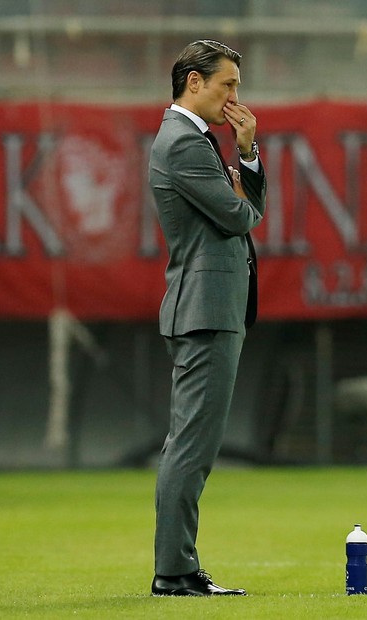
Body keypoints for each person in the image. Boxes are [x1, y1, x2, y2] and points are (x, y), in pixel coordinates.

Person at [148, 39, 266, 597]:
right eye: (228, 84)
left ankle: (179, 567)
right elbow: (241, 215)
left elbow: (243, 212)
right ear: (194, 82)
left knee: (194, 443)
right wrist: (243, 157)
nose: (235, 97)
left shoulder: (193, 140)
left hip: (208, 307)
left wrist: (245, 155)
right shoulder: (184, 144)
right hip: (205, 309)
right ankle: (174, 571)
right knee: (192, 445)